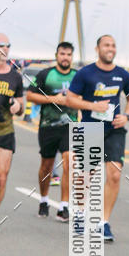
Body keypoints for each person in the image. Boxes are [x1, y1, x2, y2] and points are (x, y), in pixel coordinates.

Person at [66, 35, 129, 242]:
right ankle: (80, 212)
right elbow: (70, 99)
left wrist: (127, 116)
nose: (111, 48)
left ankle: (102, 223)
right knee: (87, 175)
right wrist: (92, 106)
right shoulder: (86, 73)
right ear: (97, 49)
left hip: (114, 129)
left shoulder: (122, 74)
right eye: (107, 45)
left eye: (113, 45)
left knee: (114, 175)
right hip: (90, 128)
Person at [25, 41, 78, 221]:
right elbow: (30, 96)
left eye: (69, 54)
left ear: (72, 57)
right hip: (48, 126)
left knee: (69, 160)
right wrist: (52, 98)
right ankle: (44, 199)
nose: (65, 57)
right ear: (57, 55)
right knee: (46, 166)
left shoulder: (77, 76)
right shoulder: (45, 74)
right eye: (62, 54)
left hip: (70, 126)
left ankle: (64, 206)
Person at [0, 34, 24, 228]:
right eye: (1, 45)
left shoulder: (15, 76)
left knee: (1, 176)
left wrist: (17, 105)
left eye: (8, 45)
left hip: (5, 131)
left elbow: (21, 106)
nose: (5, 49)